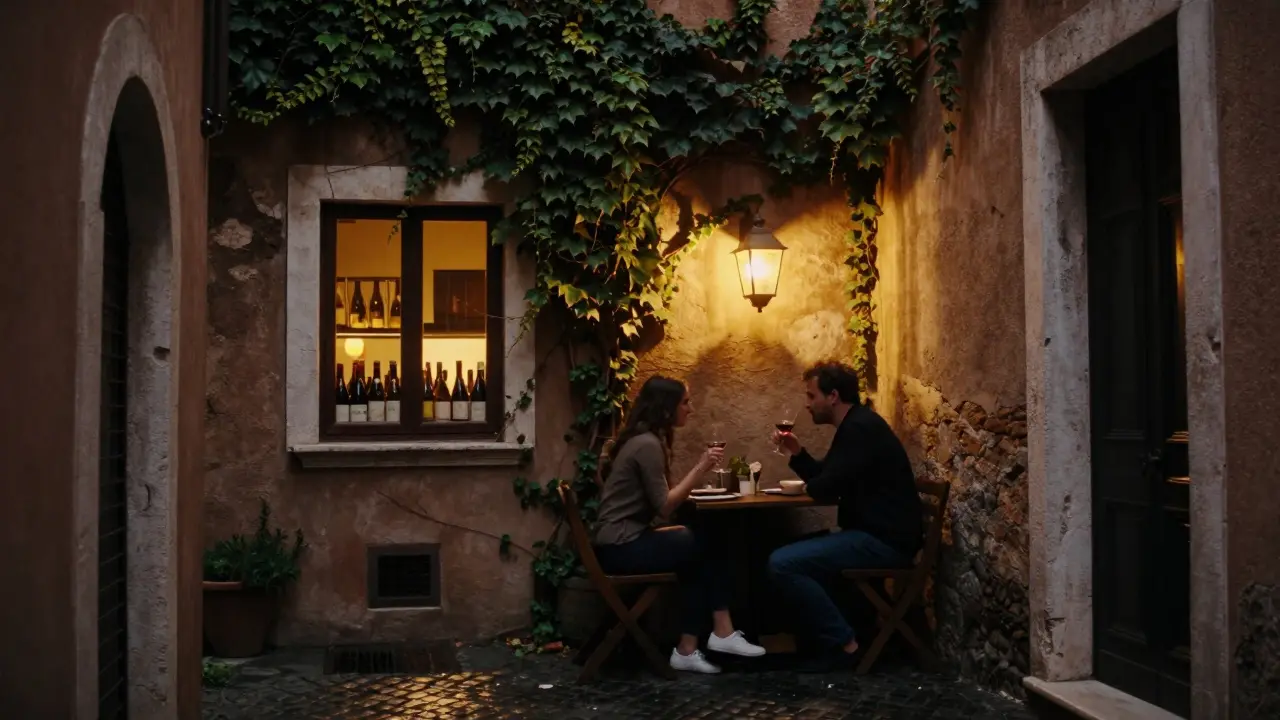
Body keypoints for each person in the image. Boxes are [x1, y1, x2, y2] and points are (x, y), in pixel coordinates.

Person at [593, 375, 766, 674]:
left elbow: (662, 499)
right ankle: (718, 633)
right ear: (666, 407)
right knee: (700, 542)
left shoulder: (647, 441)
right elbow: (664, 506)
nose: (691, 408)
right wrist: (702, 466)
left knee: (698, 548)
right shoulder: (647, 445)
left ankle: (693, 645)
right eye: (685, 402)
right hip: (618, 547)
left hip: (621, 542)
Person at [768, 361, 923, 672]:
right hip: (873, 535)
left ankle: (843, 643)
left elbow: (824, 489)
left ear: (833, 396)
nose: (807, 404)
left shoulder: (859, 429)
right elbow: (827, 477)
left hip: (882, 543)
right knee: (789, 550)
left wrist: (812, 477)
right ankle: (835, 636)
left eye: (812, 396)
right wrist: (798, 454)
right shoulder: (856, 425)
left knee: (782, 563)